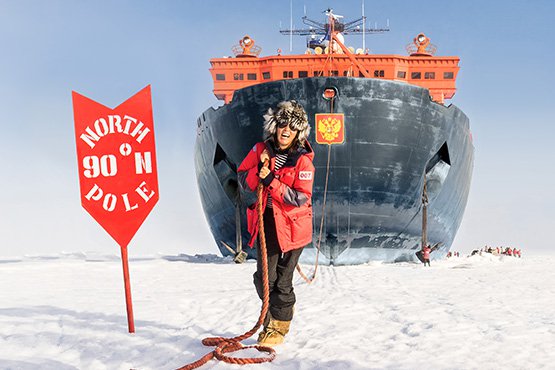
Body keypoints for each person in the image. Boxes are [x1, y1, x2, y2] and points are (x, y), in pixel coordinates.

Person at [238, 100, 315, 347]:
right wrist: (258, 169)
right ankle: (270, 320)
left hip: (294, 227)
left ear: (297, 133)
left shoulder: (303, 161)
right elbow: (242, 180)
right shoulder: (260, 149)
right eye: (282, 125)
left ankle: (278, 328)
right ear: (275, 126)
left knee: (283, 280)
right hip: (267, 222)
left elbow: (301, 198)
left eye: (291, 129)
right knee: (264, 278)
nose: (285, 131)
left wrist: (271, 180)